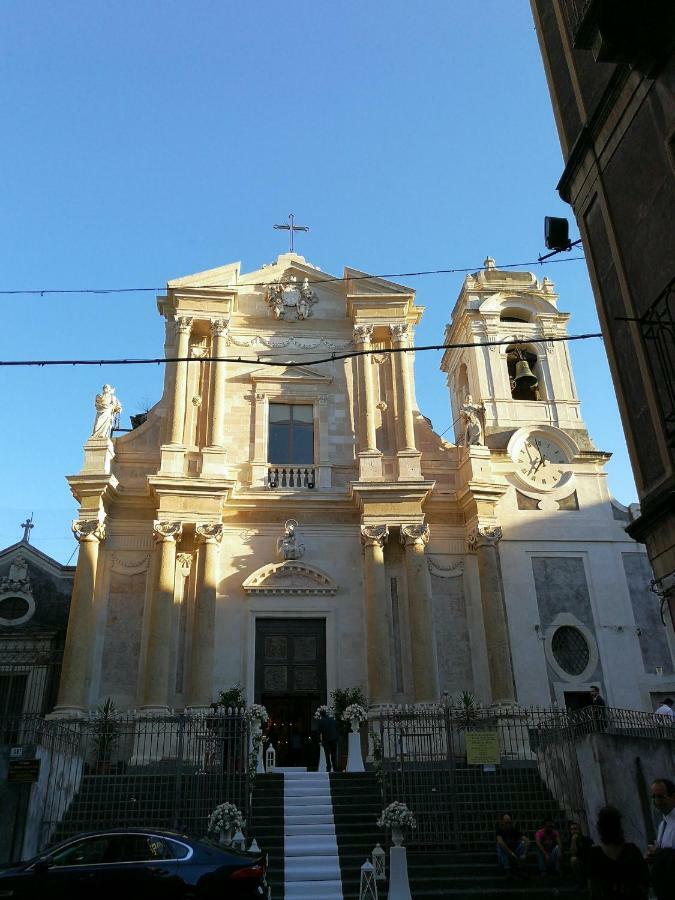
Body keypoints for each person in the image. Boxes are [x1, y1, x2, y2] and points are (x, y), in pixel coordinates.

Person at [588, 806, 649, 899]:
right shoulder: (632, 850)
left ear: (600, 828)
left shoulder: (594, 854)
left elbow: (593, 889)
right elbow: (645, 883)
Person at [646, 778, 675, 900]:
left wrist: (658, 853)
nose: (657, 801)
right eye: (654, 797)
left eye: (660, 796)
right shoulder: (662, 825)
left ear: (673, 797)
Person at [495, 814, 529, 878]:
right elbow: (500, 842)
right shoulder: (499, 830)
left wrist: (524, 854)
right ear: (502, 822)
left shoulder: (514, 830)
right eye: (506, 823)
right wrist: (510, 853)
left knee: (523, 843)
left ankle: (520, 867)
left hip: (514, 854)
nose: (508, 825)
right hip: (505, 855)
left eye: (509, 823)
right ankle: (508, 869)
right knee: (499, 844)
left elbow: (527, 840)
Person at [569, 821, 592, 887]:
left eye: (575, 829)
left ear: (580, 830)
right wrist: (573, 841)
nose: (573, 831)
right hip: (580, 862)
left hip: (588, 862)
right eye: (572, 829)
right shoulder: (571, 840)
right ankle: (581, 882)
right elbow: (573, 854)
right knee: (573, 860)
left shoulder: (586, 839)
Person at [316, 708, 339, 773]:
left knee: (327, 755)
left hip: (326, 740)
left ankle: (328, 767)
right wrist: (337, 737)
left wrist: (319, 741)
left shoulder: (321, 721)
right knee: (334, 754)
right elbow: (337, 727)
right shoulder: (332, 719)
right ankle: (335, 768)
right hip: (334, 739)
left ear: (321, 715)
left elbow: (318, 732)